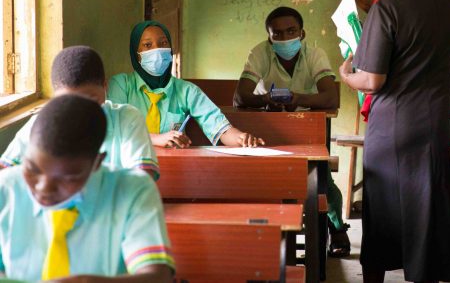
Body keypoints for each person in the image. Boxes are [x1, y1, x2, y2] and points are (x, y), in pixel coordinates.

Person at [339, 0, 450, 282]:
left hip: (393, 126)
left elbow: (373, 79)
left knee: (383, 211)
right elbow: (415, 32)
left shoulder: (388, 9)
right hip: (435, 121)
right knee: (425, 207)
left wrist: (347, 76)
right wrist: (373, 5)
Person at [0, 95, 174, 281]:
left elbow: (158, 276)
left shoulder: (132, 190)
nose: (44, 188)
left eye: (68, 177)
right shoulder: (6, 188)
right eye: (32, 168)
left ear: (97, 162)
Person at [234, 6, 350, 257]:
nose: (285, 38)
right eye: (277, 34)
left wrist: (297, 97)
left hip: (308, 130)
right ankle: (268, 230)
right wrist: (266, 100)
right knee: (260, 182)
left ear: (303, 33)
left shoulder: (314, 54)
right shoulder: (260, 53)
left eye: (291, 31)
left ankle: (337, 227)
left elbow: (330, 98)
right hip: (269, 130)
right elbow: (239, 97)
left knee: (323, 183)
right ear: (269, 38)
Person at [1, 46, 159, 180]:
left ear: (105, 87)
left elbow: (143, 179)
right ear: (55, 97)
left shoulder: (126, 119)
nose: (79, 112)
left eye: (91, 100)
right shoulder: (41, 123)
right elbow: (5, 172)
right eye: (68, 102)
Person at [107, 21, 263, 148]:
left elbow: (219, 126)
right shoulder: (121, 85)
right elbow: (114, 128)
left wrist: (241, 138)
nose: (158, 51)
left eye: (163, 43)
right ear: (136, 53)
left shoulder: (186, 90)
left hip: (171, 167)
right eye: (148, 45)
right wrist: (155, 139)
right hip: (128, 167)